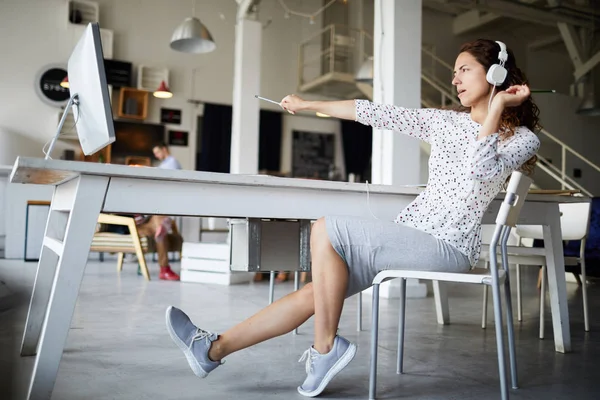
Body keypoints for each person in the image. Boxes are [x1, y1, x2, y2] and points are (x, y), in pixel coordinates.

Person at [164, 39, 541, 396]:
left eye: (464, 70)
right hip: (410, 237)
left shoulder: (523, 138)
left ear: (495, 75)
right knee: (317, 292)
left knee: (325, 228)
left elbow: (479, 171)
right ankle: (212, 349)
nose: (454, 79)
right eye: (454, 72)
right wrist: (308, 104)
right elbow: (372, 112)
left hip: (449, 248)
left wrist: (494, 110)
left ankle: (324, 348)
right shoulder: (443, 121)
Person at [134, 143, 183, 280]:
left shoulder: (171, 163)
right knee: (159, 223)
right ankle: (164, 269)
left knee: (158, 221)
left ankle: (162, 225)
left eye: (157, 152)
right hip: (134, 225)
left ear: (164, 149)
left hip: (147, 219)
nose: (156, 155)